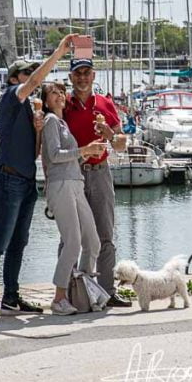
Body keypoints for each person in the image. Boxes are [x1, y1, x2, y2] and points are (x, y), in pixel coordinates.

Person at [0, 34, 78, 323]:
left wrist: (36, 128)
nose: (32, 77)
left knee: (18, 243)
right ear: (13, 79)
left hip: (26, 181)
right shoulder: (10, 97)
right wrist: (59, 52)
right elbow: (34, 83)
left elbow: (33, 152)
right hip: (8, 179)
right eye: (26, 73)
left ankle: (10, 298)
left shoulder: (30, 110)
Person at [63, 57, 130, 306]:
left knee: (105, 234)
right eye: (77, 73)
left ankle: (107, 292)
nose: (82, 77)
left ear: (94, 76)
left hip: (100, 172)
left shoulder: (105, 104)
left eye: (86, 73)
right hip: (73, 174)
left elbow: (122, 145)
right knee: (70, 237)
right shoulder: (63, 105)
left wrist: (110, 135)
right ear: (70, 77)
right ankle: (68, 292)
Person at [40, 82, 104, 315]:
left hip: (75, 182)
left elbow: (69, 158)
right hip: (60, 185)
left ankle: (85, 292)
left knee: (93, 241)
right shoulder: (50, 122)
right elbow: (55, 155)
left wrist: (89, 153)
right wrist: (84, 150)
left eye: (60, 92)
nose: (58, 95)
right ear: (46, 102)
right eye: (52, 93)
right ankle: (59, 298)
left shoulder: (62, 123)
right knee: (73, 241)